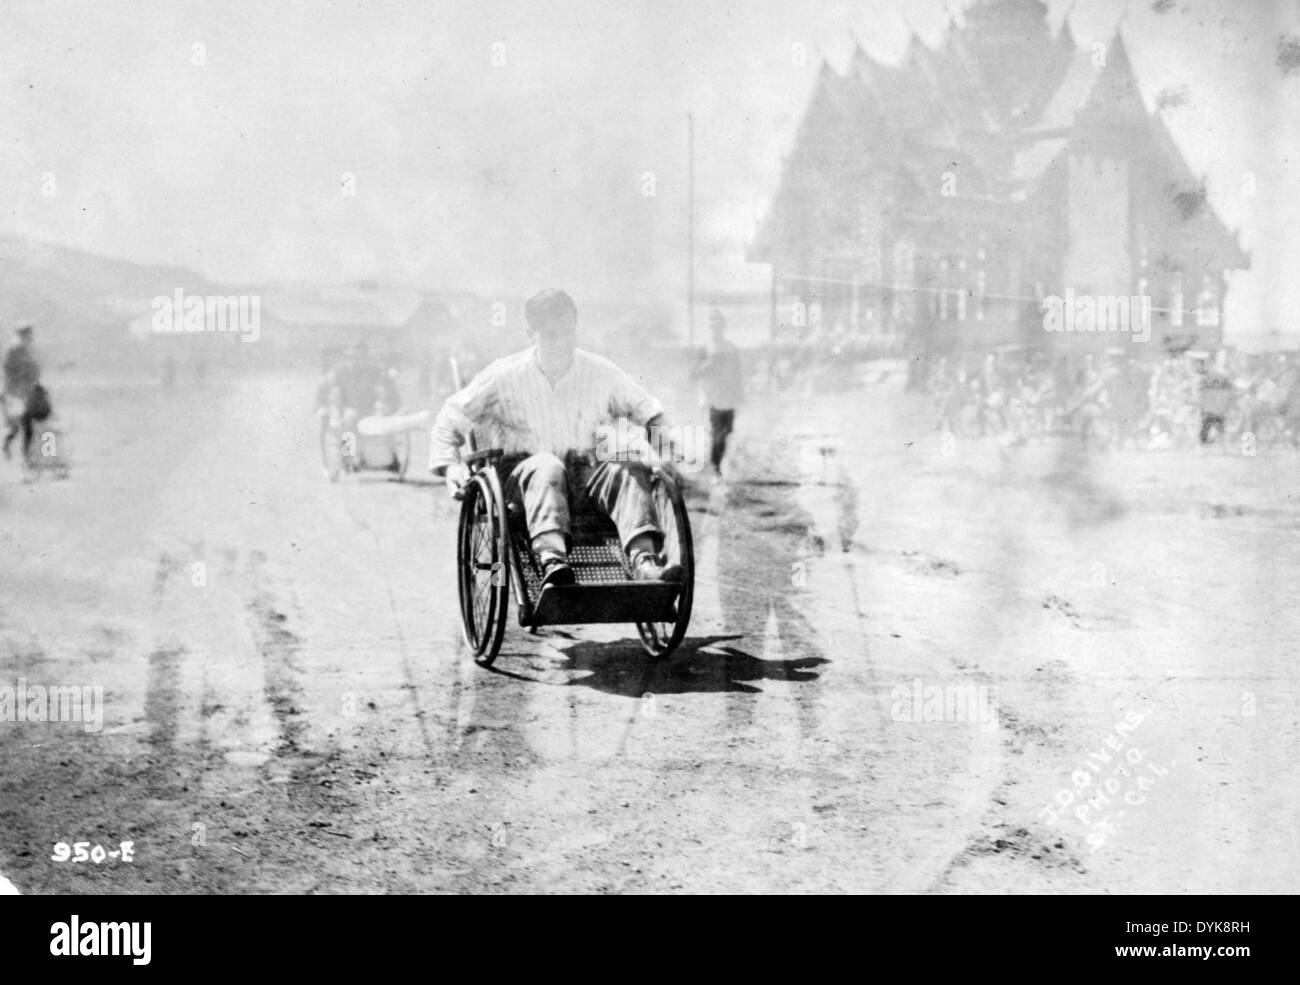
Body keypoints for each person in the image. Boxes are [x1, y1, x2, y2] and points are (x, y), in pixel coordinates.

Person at [429, 288, 683, 588]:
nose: (562, 343)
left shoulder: (599, 372)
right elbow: (451, 416)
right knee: (547, 466)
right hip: (523, 484)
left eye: (568, 333)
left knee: (627, 469)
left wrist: (665, 451)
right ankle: (553, 561)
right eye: (551, 335)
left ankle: (644, 562)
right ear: (530, 333)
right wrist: (451, 466)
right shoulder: (504, 375)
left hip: (585, 478)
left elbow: (649, 411)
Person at [694, 308, 744, 479]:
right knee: (717, 435)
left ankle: (716, 466)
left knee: (727, 433)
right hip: (711, 398)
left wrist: (740, 396)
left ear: (723, 327)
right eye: (712, 325)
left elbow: (738, 374)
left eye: (718, 324)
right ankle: (715, 471)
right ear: (709, 328)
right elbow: (694, 373)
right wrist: (709, 364)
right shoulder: (704, 348)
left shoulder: (731, 348)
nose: (715, 328)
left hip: (728, 398)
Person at [2, 323, 43, 461]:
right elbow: (16, 370)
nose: (31, 336)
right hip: (14, 394)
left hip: (17, 393)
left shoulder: (22, 347)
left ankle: (15, 450)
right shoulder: (17, 348)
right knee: (24, 427)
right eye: (29, 333)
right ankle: (26, 457)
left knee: (20, 427)